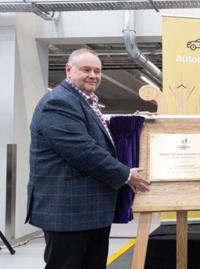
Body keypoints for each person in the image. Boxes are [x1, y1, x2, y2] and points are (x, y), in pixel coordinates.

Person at [26, 48, 151, 269]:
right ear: (68, 70)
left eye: (97, 70)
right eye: (86, 70)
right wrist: (125, 175)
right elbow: (83, 150)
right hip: (68, 209)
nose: (93, 75)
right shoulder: (59, 102)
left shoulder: (84, 102)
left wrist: (137, 123)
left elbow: (98, 138)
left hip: (88, 208)